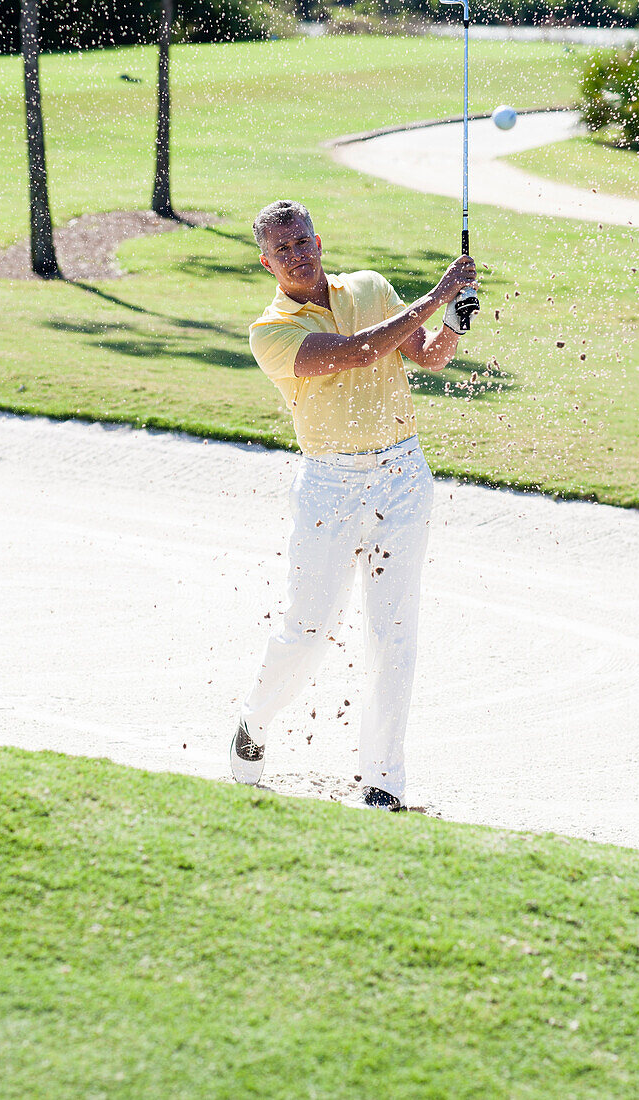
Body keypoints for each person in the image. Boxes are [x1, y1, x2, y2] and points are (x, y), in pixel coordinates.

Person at [231, 199, 477, 810]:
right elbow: (361, 352)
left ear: (318, 240)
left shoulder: (369, 287)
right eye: (281, 250)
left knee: (393, 631)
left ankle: (382, 782)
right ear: (267, 262)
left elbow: (425, 355)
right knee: (308, 630)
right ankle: (253, 724)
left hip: (402, 474)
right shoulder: (271, 332)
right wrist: (437, 291)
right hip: (330, 486)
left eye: (301, 241)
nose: (295, 256)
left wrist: (455, 322)